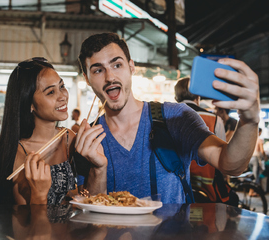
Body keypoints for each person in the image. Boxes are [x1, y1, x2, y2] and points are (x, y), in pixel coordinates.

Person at [75, 33, 260, 204]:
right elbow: (91, 211)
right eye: (98, 70)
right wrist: (98, 170)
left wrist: (249, 122)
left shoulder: (175, 117)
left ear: (131, 67)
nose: (110, 77)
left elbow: (230, 164)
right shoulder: (88, 142)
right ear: (87, 78)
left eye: (117, 65)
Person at [0, 57, 76, 205]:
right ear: (30, 104)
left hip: (71, 227)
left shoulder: (69, 138)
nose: (63, 96)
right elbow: (23, 223)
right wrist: (39, 194)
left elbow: (84, 195)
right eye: (50, 92)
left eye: (62, 86)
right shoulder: (19, 153)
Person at [174, 77, 238, 206]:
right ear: (197, 97)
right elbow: (223, 154)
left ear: (176, 97)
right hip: (208, 187)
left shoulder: (168, 116)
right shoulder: (214, 119)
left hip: (177, 187)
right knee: (233, 201)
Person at [249, 128, 266, 196]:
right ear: (259, 132)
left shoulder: (251, 139)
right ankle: (252, 192)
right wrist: (265, 157)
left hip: (250, 158)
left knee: (252, 175)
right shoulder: (259, 140)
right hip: (256, 158)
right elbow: (262, 151)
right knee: (256, 176)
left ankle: (251, 191)